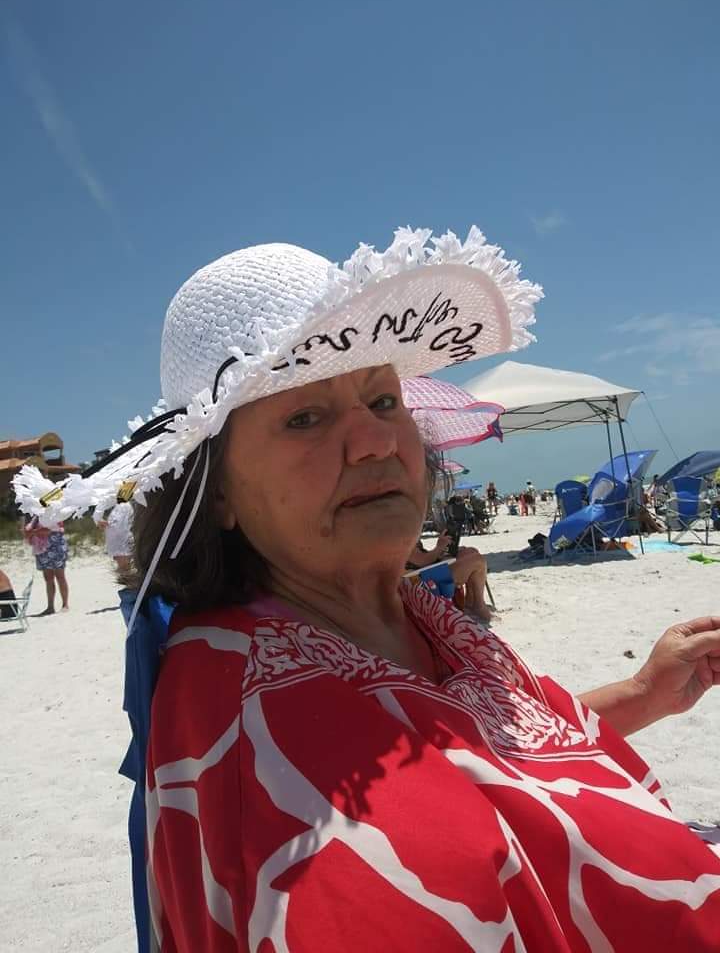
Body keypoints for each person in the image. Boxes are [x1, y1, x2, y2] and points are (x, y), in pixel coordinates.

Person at [13, 228, 720, 951]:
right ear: (217, 490)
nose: (376, 440)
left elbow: (481, 751)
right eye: (304, 417)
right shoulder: (260, 725)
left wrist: (644, 693)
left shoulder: (407, 614)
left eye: (383, 400)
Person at [406, 533, 493, 623]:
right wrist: (439, 548)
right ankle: (478, 606)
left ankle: (470, 604)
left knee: (471, 551)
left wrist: (440, 554)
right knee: (477, 561)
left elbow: (417, 558)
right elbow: (421, 560)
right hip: (418, 580)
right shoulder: (401, 531)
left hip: (422, 571)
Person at [24, 515, 69, 614]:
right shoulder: (35, 517)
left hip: (56, 546)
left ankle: (65, 604)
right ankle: (50, 606)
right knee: (48, 578)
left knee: (60, 576)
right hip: (42, 549)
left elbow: (47, 530)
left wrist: (33, 532)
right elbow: (27, 532)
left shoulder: (55, 514)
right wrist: (32, 531)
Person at [98, 496, 135, 573]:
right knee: (123, 558)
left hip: (121, 535)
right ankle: (124, 572)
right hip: (118, 535)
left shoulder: (125, 505)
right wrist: (98, 519)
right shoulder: (121, 505)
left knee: (123, 558)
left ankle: (125, 572)